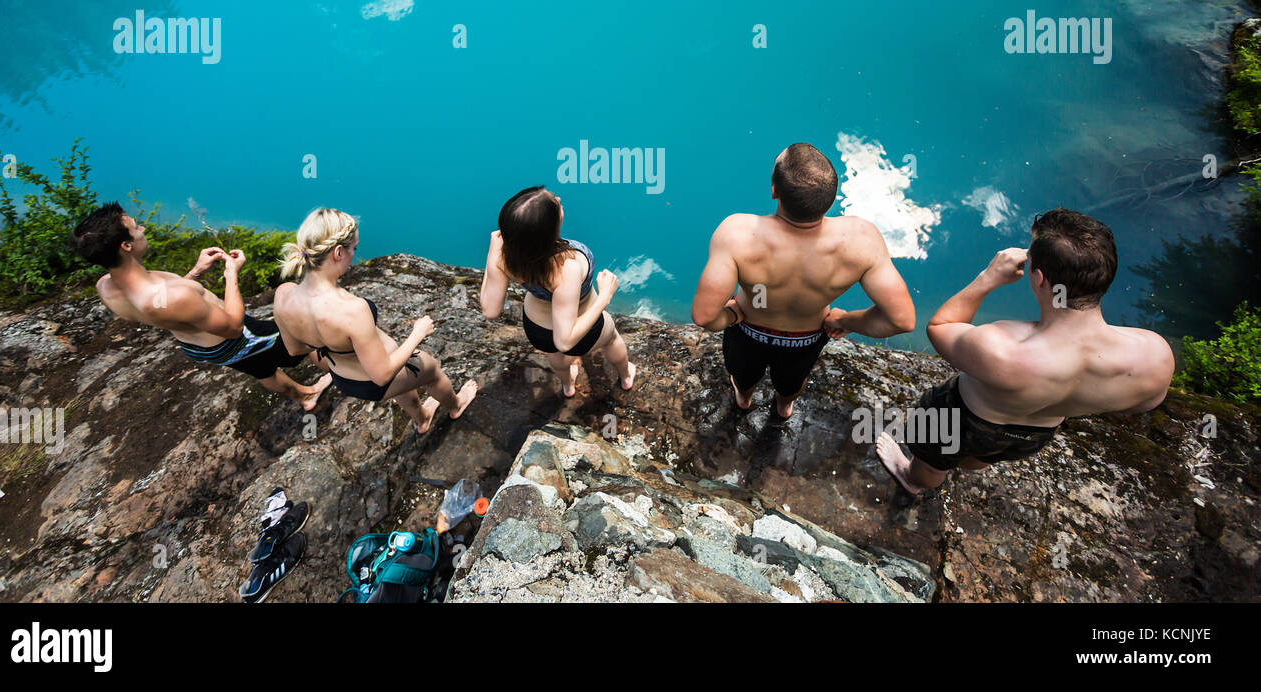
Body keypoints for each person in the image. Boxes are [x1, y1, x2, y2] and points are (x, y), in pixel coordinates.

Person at [876, 208, 1176, 493]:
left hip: (965, 418)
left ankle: (913, 478)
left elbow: (940, 327)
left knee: (934, 459)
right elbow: (1141, 404)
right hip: (1034, 436)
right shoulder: (1154, 356)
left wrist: (988, 278)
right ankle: (967, 463)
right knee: (983, 457)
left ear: (1039, 277)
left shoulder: (1001, 348)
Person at [691, 143, 916, 421]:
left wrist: (732, 315)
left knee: (743, 375)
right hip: (805, 338)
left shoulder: (737, 233)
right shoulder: (861, 239)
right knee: (792, 382)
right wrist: (846, 321)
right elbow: (901, 320)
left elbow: (704, 316)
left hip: (749, 332)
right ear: (831, 200)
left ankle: (744, 400)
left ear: (774, 191)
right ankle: (784, 408)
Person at [72, 202, 329, 410]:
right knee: (305, 336)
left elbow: (164, 308)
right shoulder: (173, 296)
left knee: (260, 369)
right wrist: (232, 275)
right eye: (135, 227)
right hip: (233, 339)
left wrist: (195, 272)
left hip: (198, 345)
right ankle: (351, 374)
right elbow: (233, 327)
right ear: (126, 246)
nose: (143, 228)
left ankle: (305, 396)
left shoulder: (106, 286)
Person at [272, 207, 476, 433]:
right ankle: (456, 406)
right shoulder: (352, 310)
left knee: (403, 383)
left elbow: (293, 349)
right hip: (373, 380)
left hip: (342, 377)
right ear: (338, 252)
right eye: (354, 249)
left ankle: (422, 419)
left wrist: (332, 347)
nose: (354, 255)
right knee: (431, 370)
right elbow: (382, 375)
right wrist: (417, 333)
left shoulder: (283, 294)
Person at [479, 186, 636, 397]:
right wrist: (605, 297)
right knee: (612, 339)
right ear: (549, 230)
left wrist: (492, 255)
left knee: (555, 355)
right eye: (555, 203)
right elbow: (565, 340)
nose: (559, 199)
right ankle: (626, 376)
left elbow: (490, 310)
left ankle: (568, 384)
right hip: (580, 332)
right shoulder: (566, 268)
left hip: (537, 328)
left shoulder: (504, 255)